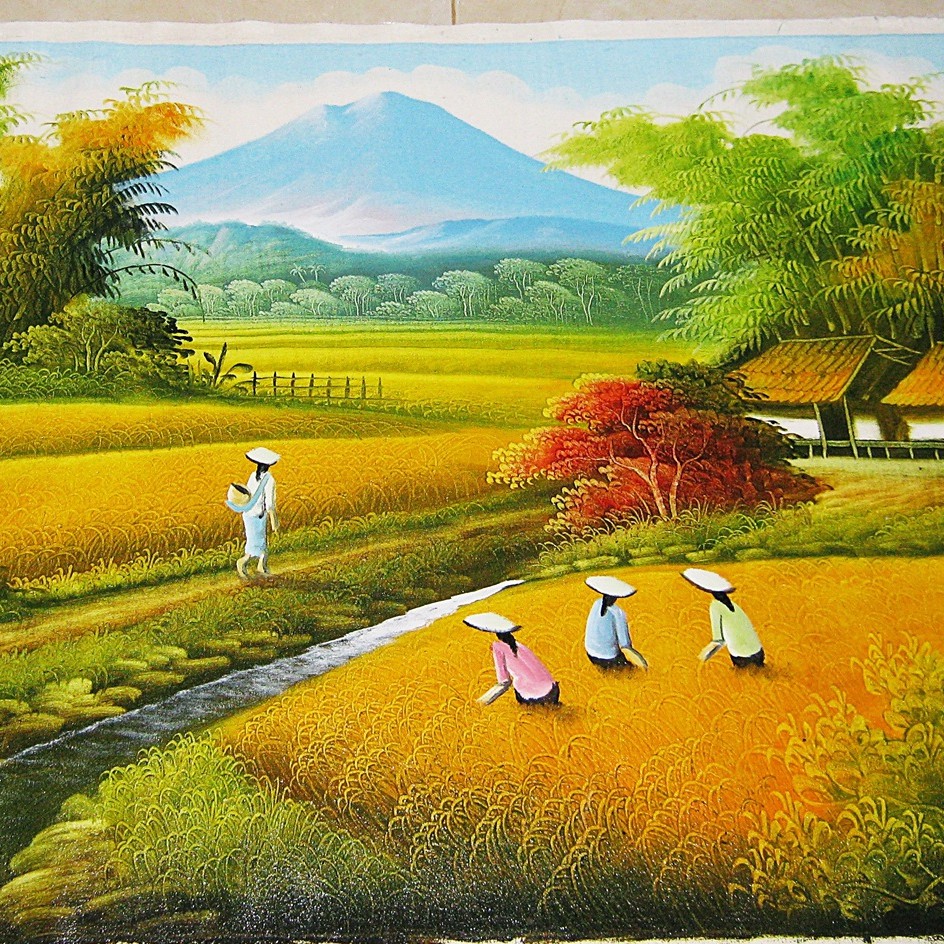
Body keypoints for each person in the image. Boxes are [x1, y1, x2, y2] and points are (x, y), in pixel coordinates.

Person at [464, 612, 560, 706]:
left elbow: (504, 680)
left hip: (532, 697)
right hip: (553, 691)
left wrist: (482, 702)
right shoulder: (520, 645)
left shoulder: (497, 647)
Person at [681, 567, 764, 667]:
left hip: (742, 656)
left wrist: (699, 660)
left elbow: (718, 640)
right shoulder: (734, 605)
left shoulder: (715, 606)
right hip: (759, 653)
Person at [225, 446, 280, 578]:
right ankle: (245, 563)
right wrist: (274, 522)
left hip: (248, 514)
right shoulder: (269, 480)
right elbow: (270, 504)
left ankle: (259, 566)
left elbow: (248, 495)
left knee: (254, 542)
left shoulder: (252, 476)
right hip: (258, 516)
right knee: (260, 543)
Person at [584, 575, 648, 669]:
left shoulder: (596, 603)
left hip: (590, 653)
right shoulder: (617, 612)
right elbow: (625, 646)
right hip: (609, 658)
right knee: (632, 672)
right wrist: (643, 665)